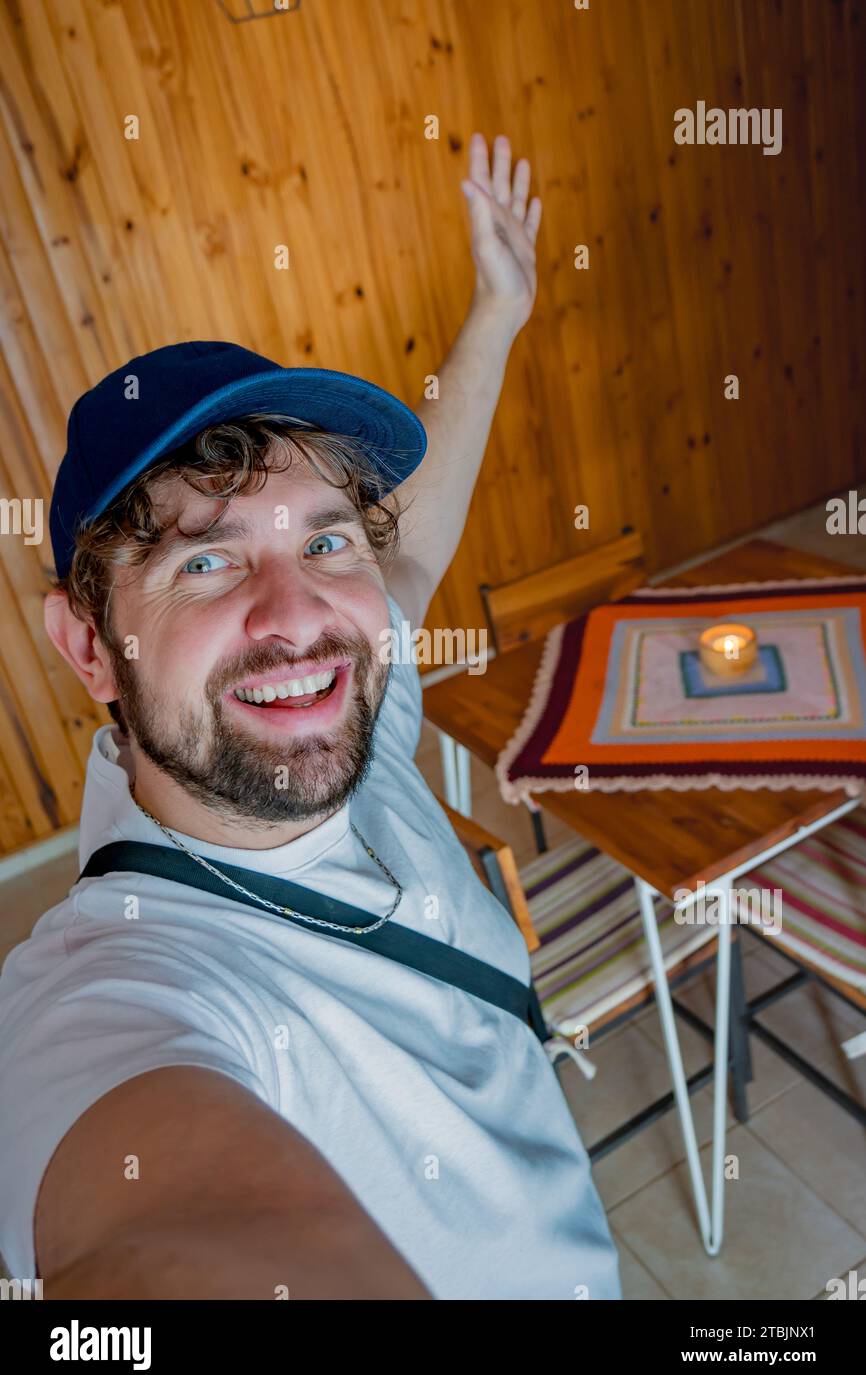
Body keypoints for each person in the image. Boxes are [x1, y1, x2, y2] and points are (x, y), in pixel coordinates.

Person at [0, 133, 621, 1300]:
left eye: (325, 538)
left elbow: (413, 547)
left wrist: (497, 309)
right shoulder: (110, 995)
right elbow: (162, 1240)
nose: (300, 615)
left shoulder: (336, 716)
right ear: (88, 644)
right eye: (206, 564)